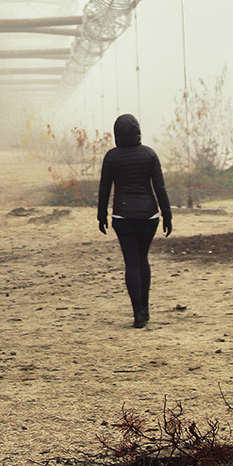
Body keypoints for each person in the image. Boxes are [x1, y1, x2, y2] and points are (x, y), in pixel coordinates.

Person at [97, 113, 172, 328]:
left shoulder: (112, 157)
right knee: (143, 260)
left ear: (117, 133)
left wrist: (101, 215)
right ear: (138, 131)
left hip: (123, 215)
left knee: (131, 262)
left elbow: (104, 189)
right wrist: (167, 215)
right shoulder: (149, 154)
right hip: (149, 216)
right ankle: (146, 309)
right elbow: (160, 187)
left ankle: (137, 313)